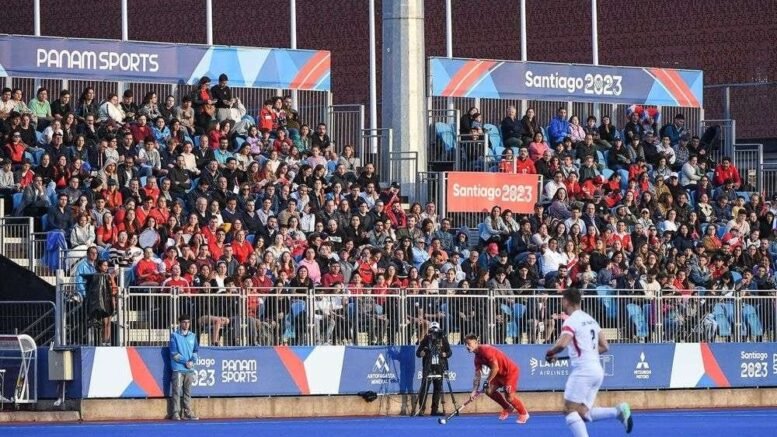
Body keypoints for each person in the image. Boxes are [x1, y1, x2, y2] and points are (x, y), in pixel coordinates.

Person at [545, 287, 633, 437]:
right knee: (582, 412)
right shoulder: (590, 319)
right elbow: (605, 346)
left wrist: (550, 353)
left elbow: (562, 344)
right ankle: (618, 411)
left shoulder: (571, 321)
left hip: (583, 371)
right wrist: (587, 352)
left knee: (569, 410)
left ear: (566, 301)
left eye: (562, 301)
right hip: (597, 371)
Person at [464, 333, 529, 424]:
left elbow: (495, 368)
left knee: (509, 398)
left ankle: (523, 413)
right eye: (465, 344)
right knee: (489, 390)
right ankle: (507, 408)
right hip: (498, 375)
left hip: (510, 372)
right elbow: (477, 375)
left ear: (475, 343)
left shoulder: (486, 350)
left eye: (469, 344)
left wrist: (487, 380)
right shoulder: (477, 358)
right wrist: (474, 391)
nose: (467, 346)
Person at [415, 321, 452, 416]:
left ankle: (434, 410)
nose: (434, 334)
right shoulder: (426, 339)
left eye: (436, 331)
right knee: (424, 388)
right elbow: (418, 353)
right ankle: (421, 409)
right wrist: (422, 353)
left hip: (439, 366)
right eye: (432, 331)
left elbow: (449, 352)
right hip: (428, 367)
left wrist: (445, 354)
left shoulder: (443, 339)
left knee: (438, 388)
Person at [169, 314, 200, 421]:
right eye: (184, 322)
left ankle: (187, 412)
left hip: (189, 369)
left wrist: (192, 361)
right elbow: (174, 353)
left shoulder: (193, 336)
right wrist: (185, 361)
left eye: (188, 322)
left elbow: (195, 351)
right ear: (180, 323)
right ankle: (175, 413)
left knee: (188, 392)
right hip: (178, 369)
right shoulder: (174, 336)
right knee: (176, 391)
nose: (186, 324)